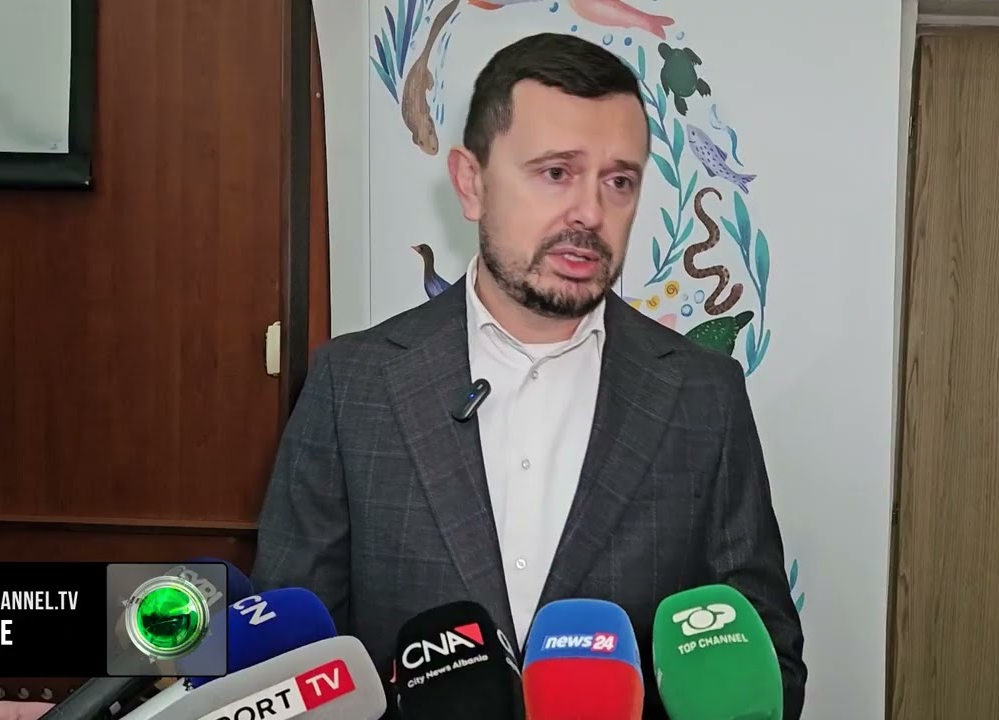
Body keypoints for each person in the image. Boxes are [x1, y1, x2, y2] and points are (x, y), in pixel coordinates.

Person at [251, 32, 806, 718]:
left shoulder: (703, 396)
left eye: (619, 181)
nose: (591, 214)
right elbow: (288, 671)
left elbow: (767, 658)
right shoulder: (352, 386)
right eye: (555, 173)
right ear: (471, 183)